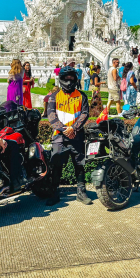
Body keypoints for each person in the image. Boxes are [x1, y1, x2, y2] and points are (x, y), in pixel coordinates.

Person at [45, 66, 91, 206]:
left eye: (72, 78)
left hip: (77, 135)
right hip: (60, 135)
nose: (69, 82)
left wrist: (74, 128)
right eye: (66, 78)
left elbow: (85, 113)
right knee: (56, 163)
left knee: (79, 164)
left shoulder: (81, 96)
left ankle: (81, 192)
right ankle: (54, 192)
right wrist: (64, 129)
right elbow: (51, 115)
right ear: (61, 79)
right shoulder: (54, 97)